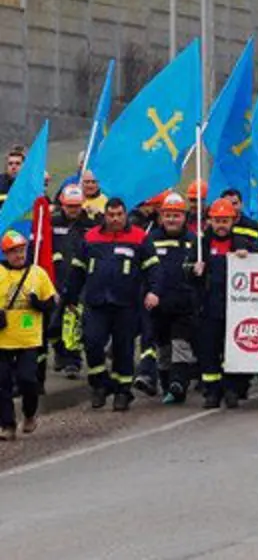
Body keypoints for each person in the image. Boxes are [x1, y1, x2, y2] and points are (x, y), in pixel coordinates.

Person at [64, 198, 160, 411]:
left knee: (123, 349)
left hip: (126, 303)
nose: (115, 219)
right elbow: (77, 269)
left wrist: (153, 291)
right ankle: (100, 384)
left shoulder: (139, 238)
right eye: (111, 215)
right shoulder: (90, 238)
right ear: (105, 216)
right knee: (92, 343)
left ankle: (122, 392)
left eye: (119, 215)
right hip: (96, 302)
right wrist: (70, 297)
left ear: (125, 215)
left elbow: (153, 268)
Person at [194, 198, 258, 408]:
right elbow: (184, 271)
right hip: (208, 306)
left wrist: (248, 257)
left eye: (225, 220)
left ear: (233, 221)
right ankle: (211, 392)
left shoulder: (242, 242)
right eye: (217, 220)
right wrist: (193, 270)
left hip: (235, 307)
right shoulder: (200, 244)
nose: (221, 225)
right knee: (209, 350)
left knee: (233, 349)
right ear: (210, 221)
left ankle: (232, 389)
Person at [0, 231, 58, 440]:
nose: (19, 255)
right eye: (14, 252)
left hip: (28, 338)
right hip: (3, 339)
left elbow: (52, 303)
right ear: (6, 254)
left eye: (22, 251)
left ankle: (30, 414)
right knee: (2, 384)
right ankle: (7, 425)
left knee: (27, 380)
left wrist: (39, 304)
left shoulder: (37, 273)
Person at [143, 193, 200, 404]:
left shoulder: (194, 241)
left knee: (180, 346)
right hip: (159, 305)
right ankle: (167, 384)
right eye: (168, 215)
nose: (172, 220)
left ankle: (179, 384)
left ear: (184, 217)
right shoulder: (151, 239)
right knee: (163, 348)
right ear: (161, 216)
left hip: (185, 304)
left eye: (176, 215)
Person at [50, 184, 93, 377]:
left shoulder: (90, 224)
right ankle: (60, 351)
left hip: (81, 281)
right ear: (62, 204)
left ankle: (73, 361)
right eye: (70, 206)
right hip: (55, 279)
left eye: (76, 206)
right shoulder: (52, 222)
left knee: (74, 320)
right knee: (53, 325)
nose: (73, 210)